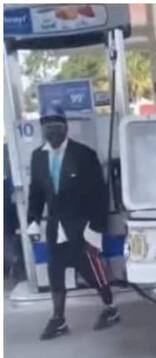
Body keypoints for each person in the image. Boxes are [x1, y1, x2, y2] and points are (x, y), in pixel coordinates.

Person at [27, 105, 119, 340]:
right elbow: (36, 192)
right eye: (47, 126)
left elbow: (99, 193)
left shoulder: (83, 155)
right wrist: (33, 220)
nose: (52, 132)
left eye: (57, 126)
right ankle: (58, 319)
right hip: (56, 227)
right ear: (43, 129)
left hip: (83, 225)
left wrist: (96, 227)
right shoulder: (38, 157)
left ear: (65, 127)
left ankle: (110, 309)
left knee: (91, 270)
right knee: (55, 272)